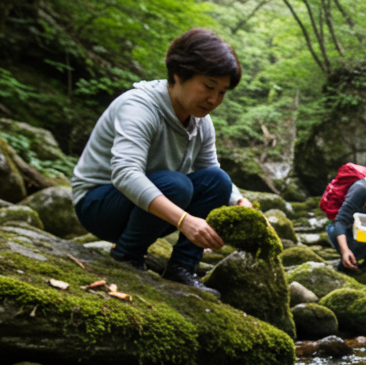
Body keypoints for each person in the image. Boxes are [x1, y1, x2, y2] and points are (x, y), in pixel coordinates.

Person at [71, 28, 253, 297]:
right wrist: (184, 220)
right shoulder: (139, 107)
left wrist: (239, 202)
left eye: (223, 92)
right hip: (98, 204)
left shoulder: (201, 120)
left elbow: (209, 171)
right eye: (209, 87)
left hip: (150, 203)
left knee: (219, 181)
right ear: (178, 74)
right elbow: (125, 174)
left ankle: (182, 268)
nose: (214, 100)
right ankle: (127, 256)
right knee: (177, 185)